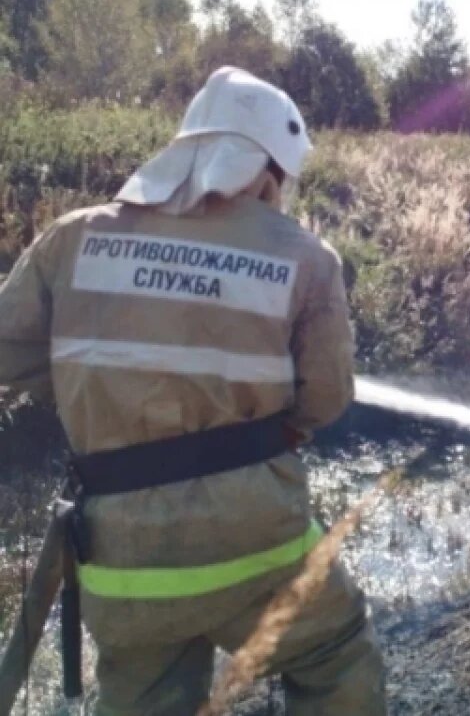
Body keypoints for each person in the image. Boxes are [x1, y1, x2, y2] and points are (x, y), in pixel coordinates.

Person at [0, 67, 386, 714]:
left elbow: (10, 355)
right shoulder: (305, 258)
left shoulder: (72, 238)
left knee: (143, 697)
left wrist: (96, 392)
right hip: (257, 540)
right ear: (268, 170)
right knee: (334, 655)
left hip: (123, 558)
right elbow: (324, 399)